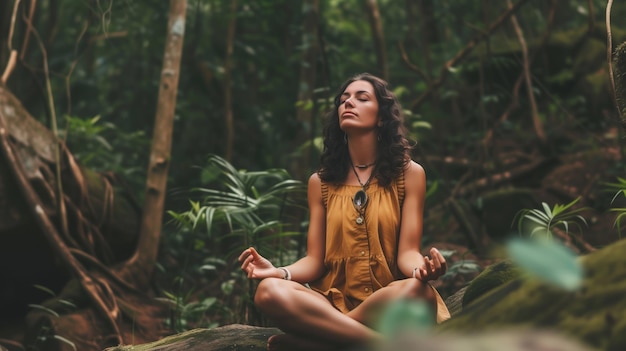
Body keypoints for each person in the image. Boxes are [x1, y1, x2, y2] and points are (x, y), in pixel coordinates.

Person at [238, 73, 450, 351]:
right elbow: (315, 261)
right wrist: (279, 272)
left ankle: (324, 339)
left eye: (362, 98)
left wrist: (421, 269)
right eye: (344, 99)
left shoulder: (409, 175)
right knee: (268, 291)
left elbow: (406, 253)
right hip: (330, 302)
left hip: (387, 301)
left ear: (382, 117)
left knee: (417, 291)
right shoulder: (321, 183)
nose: (348, 103)